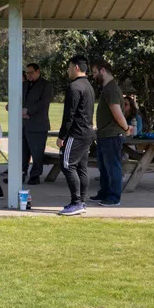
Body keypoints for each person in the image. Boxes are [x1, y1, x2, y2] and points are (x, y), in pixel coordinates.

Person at [89, 61, 134, 207]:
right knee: (103, 166)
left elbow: (117, 112)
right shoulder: (107, 88)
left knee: (113, 166)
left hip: (112, 135)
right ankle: (104, 193)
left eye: (95, 72)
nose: (93, 75)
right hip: (104, 135)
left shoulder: (111, 89)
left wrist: (126, 128)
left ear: (103, 70)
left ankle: (114, 197)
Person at [56, 55, 95, 216]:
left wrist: (61, 136)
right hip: (87, 133)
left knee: (67, 165)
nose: (68, 70)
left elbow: (69, 115)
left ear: (76, 68)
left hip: (76, 133)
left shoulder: (74, 87)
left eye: (69, 67)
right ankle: (82, 201)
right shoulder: (88, 86)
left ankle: (76, 202)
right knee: (81, 167)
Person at [12, 63, 53, 185]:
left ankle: (35, 176)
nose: (28, 75)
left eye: (30, 72)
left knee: (36, 152)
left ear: (37, 71)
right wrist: (14, 106)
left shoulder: (46, 85)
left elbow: (44, 103)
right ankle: (21, 174)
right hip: (23, 123)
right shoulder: (24, 85)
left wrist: (28, 111)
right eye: (27, 73)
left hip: (38, 124)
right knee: (22, 152)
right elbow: (19, 99)